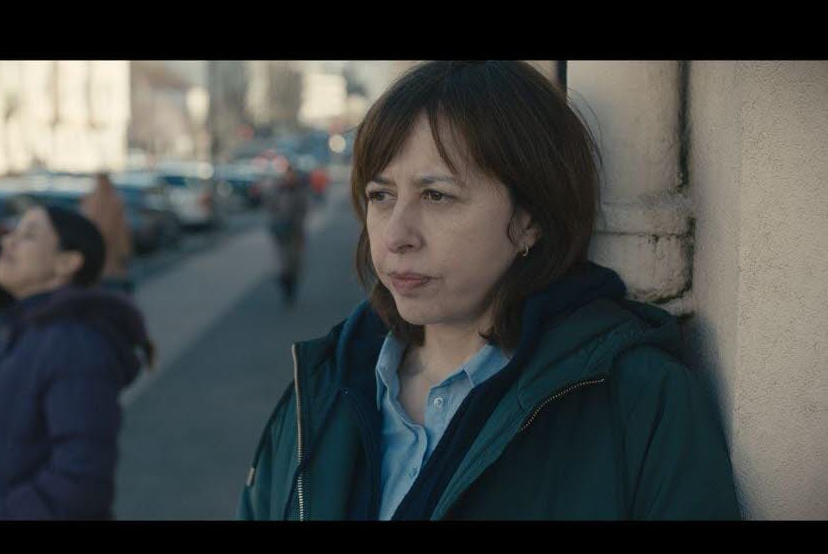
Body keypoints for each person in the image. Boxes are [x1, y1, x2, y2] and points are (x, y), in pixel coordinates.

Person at [237, 61, 741, 520]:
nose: (394, 236)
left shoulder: (641, 406)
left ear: (531, 220)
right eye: (381, 195)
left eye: (437, 195)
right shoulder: (318, 392)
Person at [0, 204, 153, 520]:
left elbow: (81, 484)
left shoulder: (74, 343)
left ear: (67, 262)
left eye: (28, 235)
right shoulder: (28, 330)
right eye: (12, 232)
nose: (7, 242)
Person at [80, 171, 135, 296]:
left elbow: (122, 231)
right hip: (105, 263)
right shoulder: (103, 199)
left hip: (105, 262)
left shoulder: (100, 200)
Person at [266, 164, 311, 307]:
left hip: (295, 233)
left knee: (295, 264)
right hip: (280, 233)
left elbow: (304, 210)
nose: (289, 178)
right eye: (288, 175)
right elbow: (270, 208)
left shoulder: (299, 191)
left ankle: (291, 289)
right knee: (282, 263)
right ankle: (285, 286)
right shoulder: (277, 190)